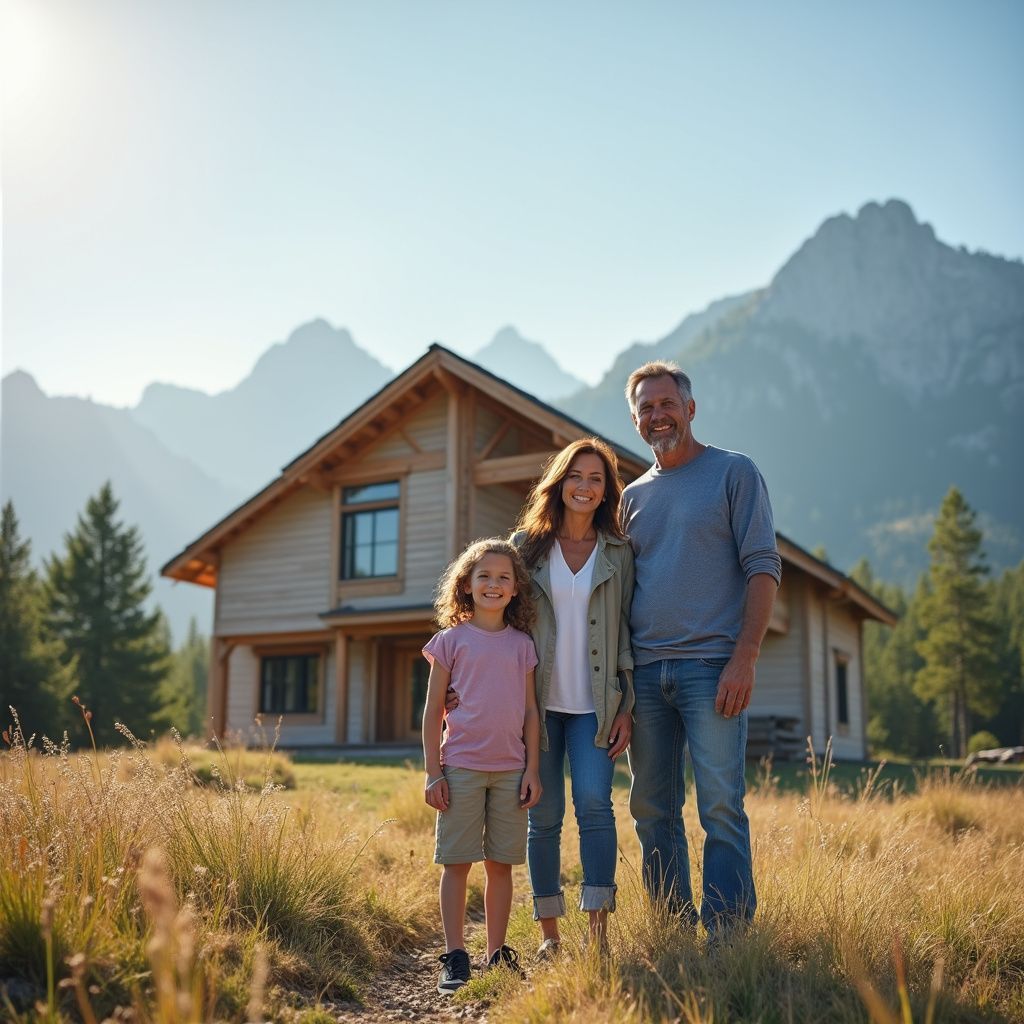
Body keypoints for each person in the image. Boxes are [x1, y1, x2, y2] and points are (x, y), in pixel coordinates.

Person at [621, 361, 781, 935]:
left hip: (713, 668)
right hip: (644, 675)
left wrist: (746, 657)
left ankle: (728, 930)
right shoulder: (632, 497)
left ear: (690, 408)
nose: (657, 415)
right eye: (646, 408)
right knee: (651, 810)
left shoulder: (734, 472)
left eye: (666, 404)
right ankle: (670, 923)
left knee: (720, 808)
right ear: (636, 421)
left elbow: (763, 566)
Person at [510, 437, 635, 955]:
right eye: (576, 477)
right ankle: (550, 936)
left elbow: (628, 629)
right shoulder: (525, 547)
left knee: (595, 807)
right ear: (558, 483)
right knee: (543, 816)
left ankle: (599, 935)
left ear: (606, 491)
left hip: (596, 708)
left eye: (596, 479)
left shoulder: (619, 552)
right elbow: (505, 625)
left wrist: (627, 706)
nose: (584, 487)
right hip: (536, 708)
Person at [421, 538, 543, 995]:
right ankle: (455, 956)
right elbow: (433, 711)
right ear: (467, 585)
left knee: (501, 865)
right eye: (484, 576)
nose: (494, 584)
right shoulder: (450, 642)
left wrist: (532, 770)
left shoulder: (522, 646)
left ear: (515, 590)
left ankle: (496, 953)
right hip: (461, 768)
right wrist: (433, 771)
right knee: (456, 863)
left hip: (511, 769)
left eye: (503, 578)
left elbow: (531, 712)